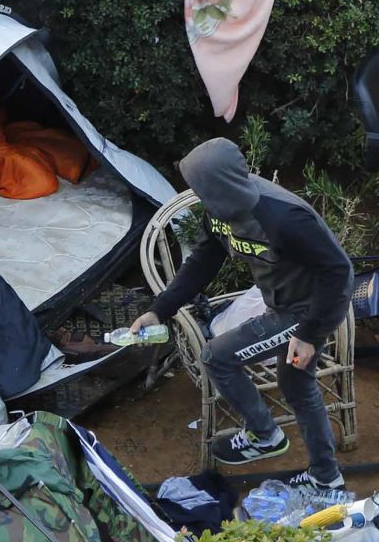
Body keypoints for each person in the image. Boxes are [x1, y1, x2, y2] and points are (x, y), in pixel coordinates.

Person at [131, 138, 353, 488]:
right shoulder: (219, 211)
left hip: (308, 309)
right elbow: (205, 258)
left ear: (218, 184)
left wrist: (310, 334)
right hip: (279, 303)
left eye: (199, 188)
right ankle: (327, 479)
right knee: (296, 385)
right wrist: (160, 310)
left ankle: (265, 435)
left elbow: (340, 271)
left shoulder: (284, 216)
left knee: (216, 355)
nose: (197, 195)